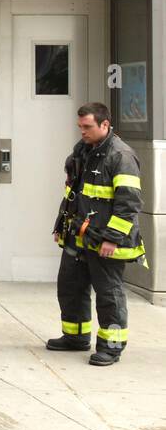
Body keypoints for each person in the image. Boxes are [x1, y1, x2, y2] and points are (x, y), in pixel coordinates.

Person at [49, 102, 143, 366]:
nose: (83, 132)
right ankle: (75, 337)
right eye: (80, 127)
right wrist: (61, 226)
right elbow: (74, 195)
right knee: (70, 287)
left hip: (105, 240)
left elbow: (129, 203)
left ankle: (111, 347)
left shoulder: (121, 156)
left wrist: (112, 238)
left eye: (88, 126)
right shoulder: (84, 151)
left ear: (105, 124)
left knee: (109, 294)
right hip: (79, 234)